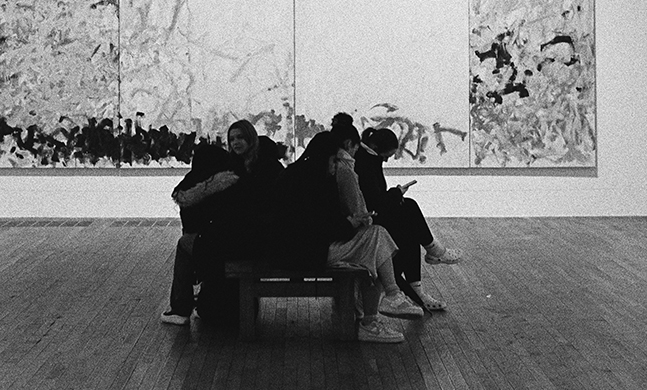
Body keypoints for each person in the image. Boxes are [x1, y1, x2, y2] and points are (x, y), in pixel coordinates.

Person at [270, 125, 422, 344]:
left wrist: (348, 223)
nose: (335, 167)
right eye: (334, 161)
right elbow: (318, 227)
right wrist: (350, 223)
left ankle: (388, 301)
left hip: (300, 249)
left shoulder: (301, 175)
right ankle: (381, 308)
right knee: (376, 241)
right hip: (304, 253)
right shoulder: (312, 183)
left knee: (376, 240)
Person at [161, 120, 283, 325]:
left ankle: (180, 308)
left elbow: (245, 207)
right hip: (249, 236)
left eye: (240, 138)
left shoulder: (240, 170)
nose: (236, 143)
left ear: (250, 138)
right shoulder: (252, 165)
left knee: (185, 244)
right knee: (197, 242)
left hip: (245, 239)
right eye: (232, 139)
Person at [354, 125, 463, 312]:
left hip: (371, 215)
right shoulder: (368, 162)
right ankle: (433, 252)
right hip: (369, 220)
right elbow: (374, 201)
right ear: (376, 148)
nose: (387, 159)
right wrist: (396, 194)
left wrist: (394, 194)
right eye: (386, 155)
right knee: (409, 209)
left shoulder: (370, 158)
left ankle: (427, 265)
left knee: (410, 225)